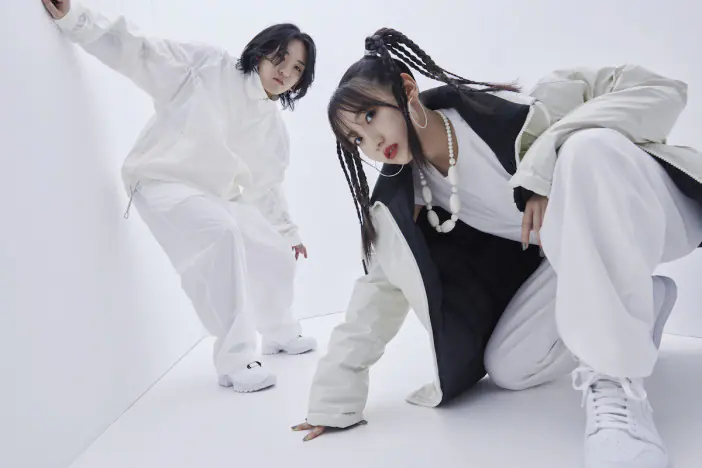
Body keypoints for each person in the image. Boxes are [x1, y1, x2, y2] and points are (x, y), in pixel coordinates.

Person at [292, 28, 702, 467]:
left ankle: (617, 389)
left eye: (371, 115)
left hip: (652, 211)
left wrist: (548, 155)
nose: (372, 142)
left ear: (407, 89)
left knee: (586, 148)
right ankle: (643, 303)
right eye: (356, 139)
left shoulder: (517, 109)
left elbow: (662, 89)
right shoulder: (405, 199)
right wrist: (333, 402)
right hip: (579, 252)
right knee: (510, 366)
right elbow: (375, 293)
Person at [42, 0, 318, 393]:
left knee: (273, 249)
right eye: (281, 57)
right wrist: (75, 19)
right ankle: (236, 360)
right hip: (159, 181)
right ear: (261, 51)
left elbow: (267, 187)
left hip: (214, 195)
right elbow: (140, 51)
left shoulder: (272, 127)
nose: (285, 71)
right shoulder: (208, 67)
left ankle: (278, 332)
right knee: (222, 234)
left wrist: (287, 233)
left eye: (297, 69)